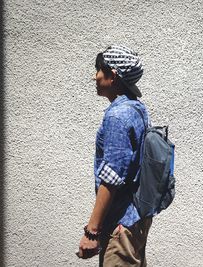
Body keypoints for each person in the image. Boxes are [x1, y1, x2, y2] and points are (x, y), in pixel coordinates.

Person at [78, 45, 152, 267]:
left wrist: (92, 232)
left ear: (113, 76)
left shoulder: (118, 117)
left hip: (122, 224)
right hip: (136, 217)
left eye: (99, 70)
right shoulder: (137, 108)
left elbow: (111, 178)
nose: (95, 76)